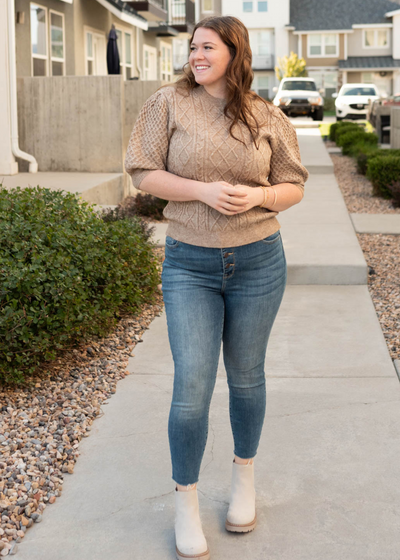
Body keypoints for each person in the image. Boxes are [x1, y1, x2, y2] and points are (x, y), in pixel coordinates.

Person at [124, 15, 308, 560]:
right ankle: (186, 503)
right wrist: (203, 191)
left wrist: (258, 198)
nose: (195, 56)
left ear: (235, 52)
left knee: (247, 377)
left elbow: (293, 184)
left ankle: (244, 481)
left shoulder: (266, 114)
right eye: (192, 48)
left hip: (258, 261)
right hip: (188, 265)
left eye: (207, 47)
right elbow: (142, 171)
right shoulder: (167, 104)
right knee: (192, 388)